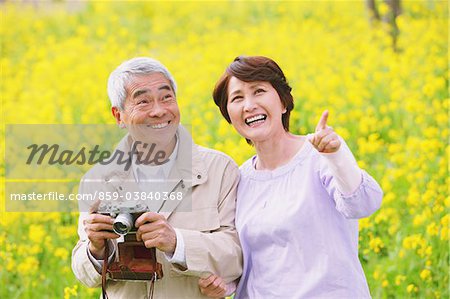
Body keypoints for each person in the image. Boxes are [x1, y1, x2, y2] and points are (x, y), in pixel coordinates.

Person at [198, 56, 383, 298]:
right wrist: (223, 286)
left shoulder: (320, 154)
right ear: (229, 116)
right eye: (237, 98)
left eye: (259, 91)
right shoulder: (237, 179)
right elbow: (244, 261)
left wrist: (336, 156)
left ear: (284, 103)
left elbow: (363, 204)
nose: (249, 105)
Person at [71, 57, 242, 298]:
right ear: (118, 116)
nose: (159, 111)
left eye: (166, 98)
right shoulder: (97, 179)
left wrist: (177, 242)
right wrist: (96, 249)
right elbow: (84, 274)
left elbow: (237, 256)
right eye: (143, 101)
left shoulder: (220, 169)